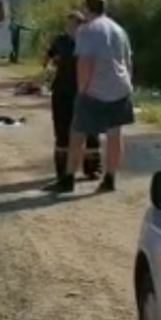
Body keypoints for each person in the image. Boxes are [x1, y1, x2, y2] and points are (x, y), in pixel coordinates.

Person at [50, 0, 134, 194]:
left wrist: (82, 90)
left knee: (77, 133)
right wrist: (128, 84)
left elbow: (85, 62)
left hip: (95, 89)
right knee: (114, 135)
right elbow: (128, 61)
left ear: (87, 9)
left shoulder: (87, 30)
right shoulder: (119, 29)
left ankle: (68, 179)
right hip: (120, 88)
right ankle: (110, 178)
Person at [42, 11, 101, 188]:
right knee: (62, 132)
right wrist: (49, 66)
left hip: (86, 91)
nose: (70, 28)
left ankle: (92, 168)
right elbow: (48, 58)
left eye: (73, 25)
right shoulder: (60, 41)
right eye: (68, 25)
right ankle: (63, 174)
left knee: (90, 131)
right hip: (62, 91)